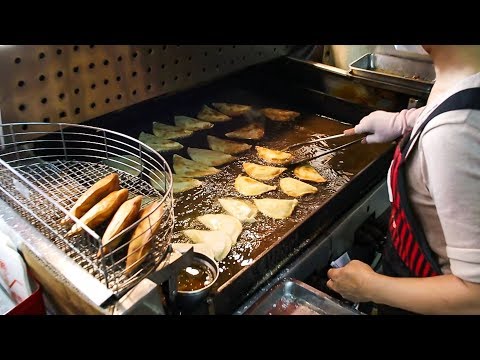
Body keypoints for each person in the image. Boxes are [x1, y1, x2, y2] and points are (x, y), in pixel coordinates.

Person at [326, 45, 480, 315]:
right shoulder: (465, 75)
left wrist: (371, 287)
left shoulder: (454, 134)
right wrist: (404, 121)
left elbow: (475, 296)